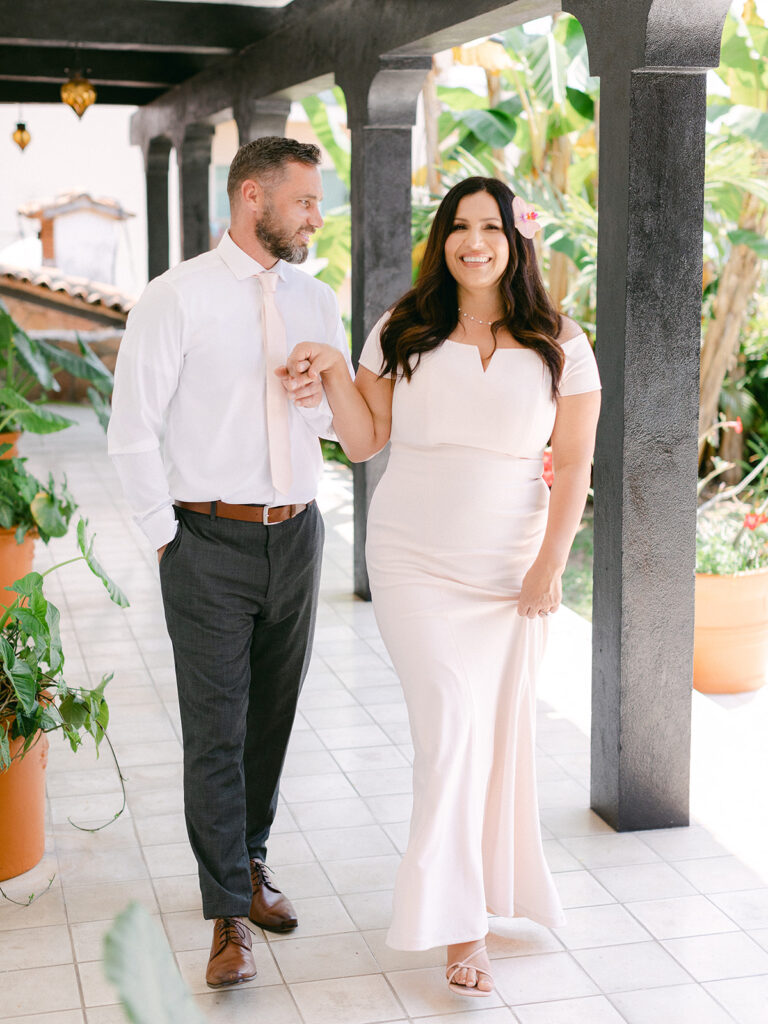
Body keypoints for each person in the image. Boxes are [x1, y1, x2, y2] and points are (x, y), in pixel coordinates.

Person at [280, 176, 602, 996]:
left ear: (515, 239)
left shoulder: (560, 340)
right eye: (460, 227)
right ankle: (463, 932)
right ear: (442, 238)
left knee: (495, 740)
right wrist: (327, 370)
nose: (474, 242)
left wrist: (549, 565)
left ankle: (492, 898)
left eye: (490, 227)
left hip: (509, 569)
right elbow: (362, 442)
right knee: (452, 731)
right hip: (413, 560)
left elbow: (573, 467)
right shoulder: (404, 327)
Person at [107, 136, 352, 989]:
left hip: (297, 533)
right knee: (215, 734)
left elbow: (330, 426)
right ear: (253, 198)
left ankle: (249, 861)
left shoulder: (318, 299)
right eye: (305, 202)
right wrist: (164, 536)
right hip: (205, 542)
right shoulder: (176, 299)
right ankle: (226, 918)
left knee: (271, 721)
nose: (317, 216)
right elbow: (131, 426)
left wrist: (322, 393)